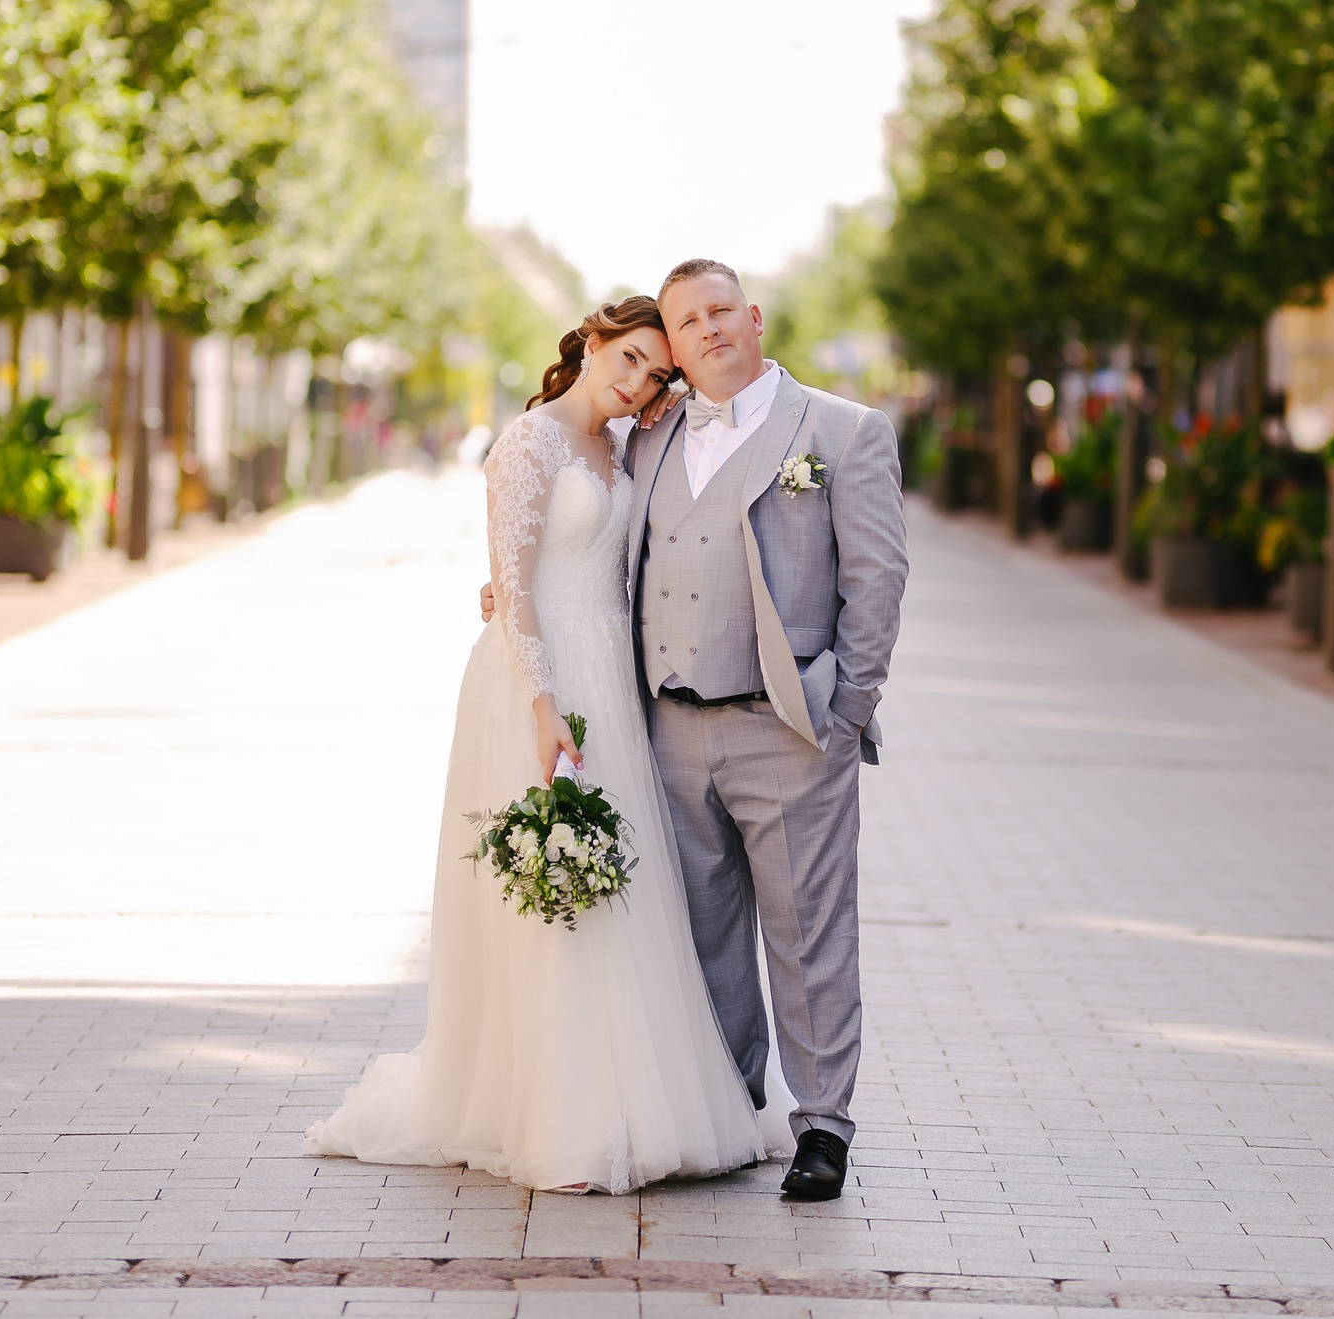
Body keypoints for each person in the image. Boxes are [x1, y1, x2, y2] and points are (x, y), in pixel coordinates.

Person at [303, 296, 789, 1195]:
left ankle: (635, 1098)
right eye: (630, 357)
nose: (638, 378)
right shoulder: (527, 444)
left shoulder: (627, 446)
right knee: (550, 893)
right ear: (592, 341)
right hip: (542, 685)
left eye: (654, 370)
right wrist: (541, 701)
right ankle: (552, 1111)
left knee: (622, 889)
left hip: (615, 678)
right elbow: (516, 591)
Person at [625, 258, 908, 1202]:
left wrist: (846, 710)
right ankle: (726, 1105)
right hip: (669, 726)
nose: (705, 330)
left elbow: (877, 579)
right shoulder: (651, 436)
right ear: (671, 344)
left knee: (808, 934)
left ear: (753, 316)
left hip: (788, 729)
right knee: (701, 933)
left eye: (719, 310)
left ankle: (823, 1124)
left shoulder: (841, 431)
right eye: (685, 321)